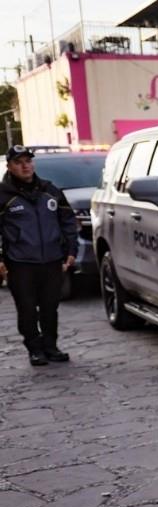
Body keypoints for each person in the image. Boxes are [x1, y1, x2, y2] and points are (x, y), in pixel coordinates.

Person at [0, 146, 79, 366]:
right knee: (26, 308)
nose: (25, 166)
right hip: (20, 262)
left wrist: (71, 250)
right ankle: (34, 349)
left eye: (28, 161)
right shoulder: (3, 195)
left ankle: (51, 346)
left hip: (51, 259)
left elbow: (67, 221)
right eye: (19, 162)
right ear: (10, 167)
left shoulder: (49, 190)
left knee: (49, 307)